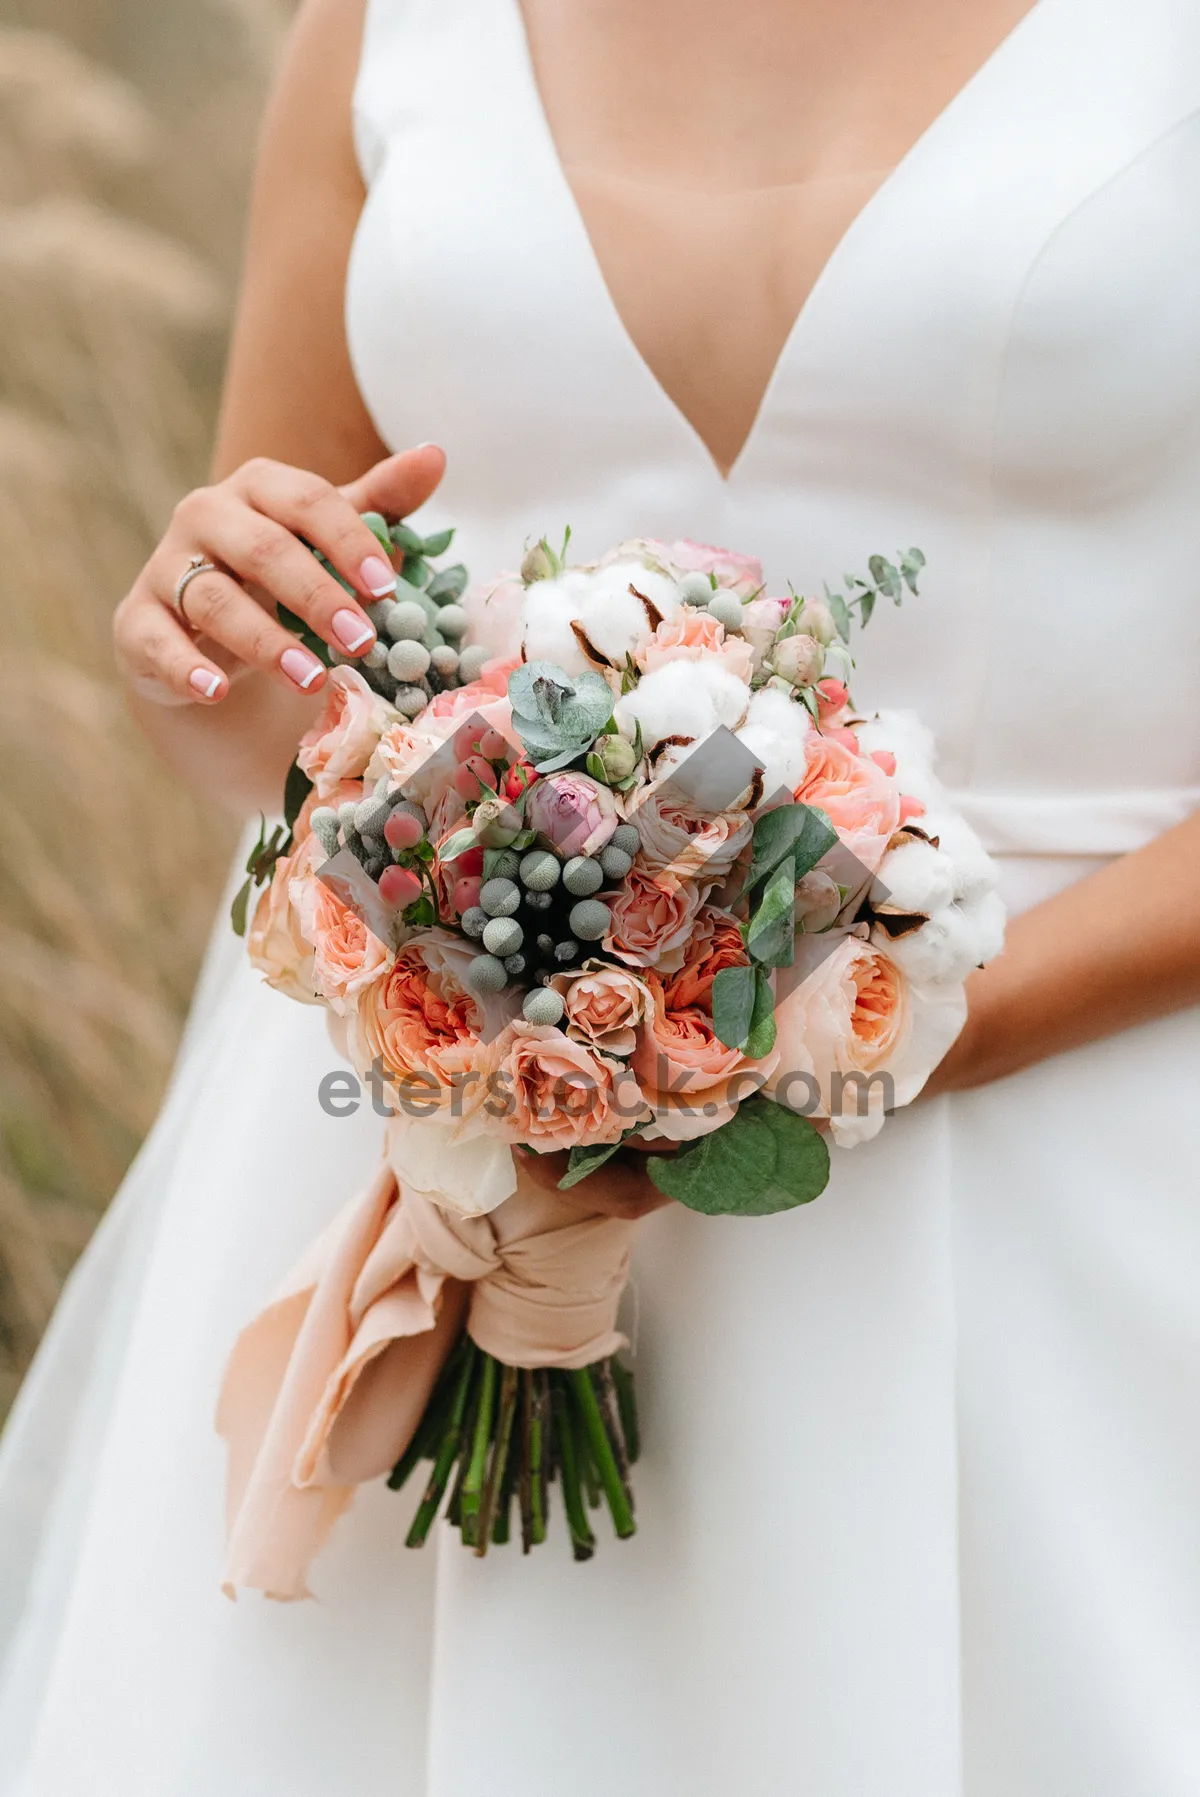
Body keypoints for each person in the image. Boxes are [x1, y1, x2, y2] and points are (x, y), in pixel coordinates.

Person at [2, 0, 1199, 1789]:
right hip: (444, 1132)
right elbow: (289, 700)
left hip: (1077, 1162)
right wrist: (202, 625)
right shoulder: (383, 27)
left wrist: (867, 1036)